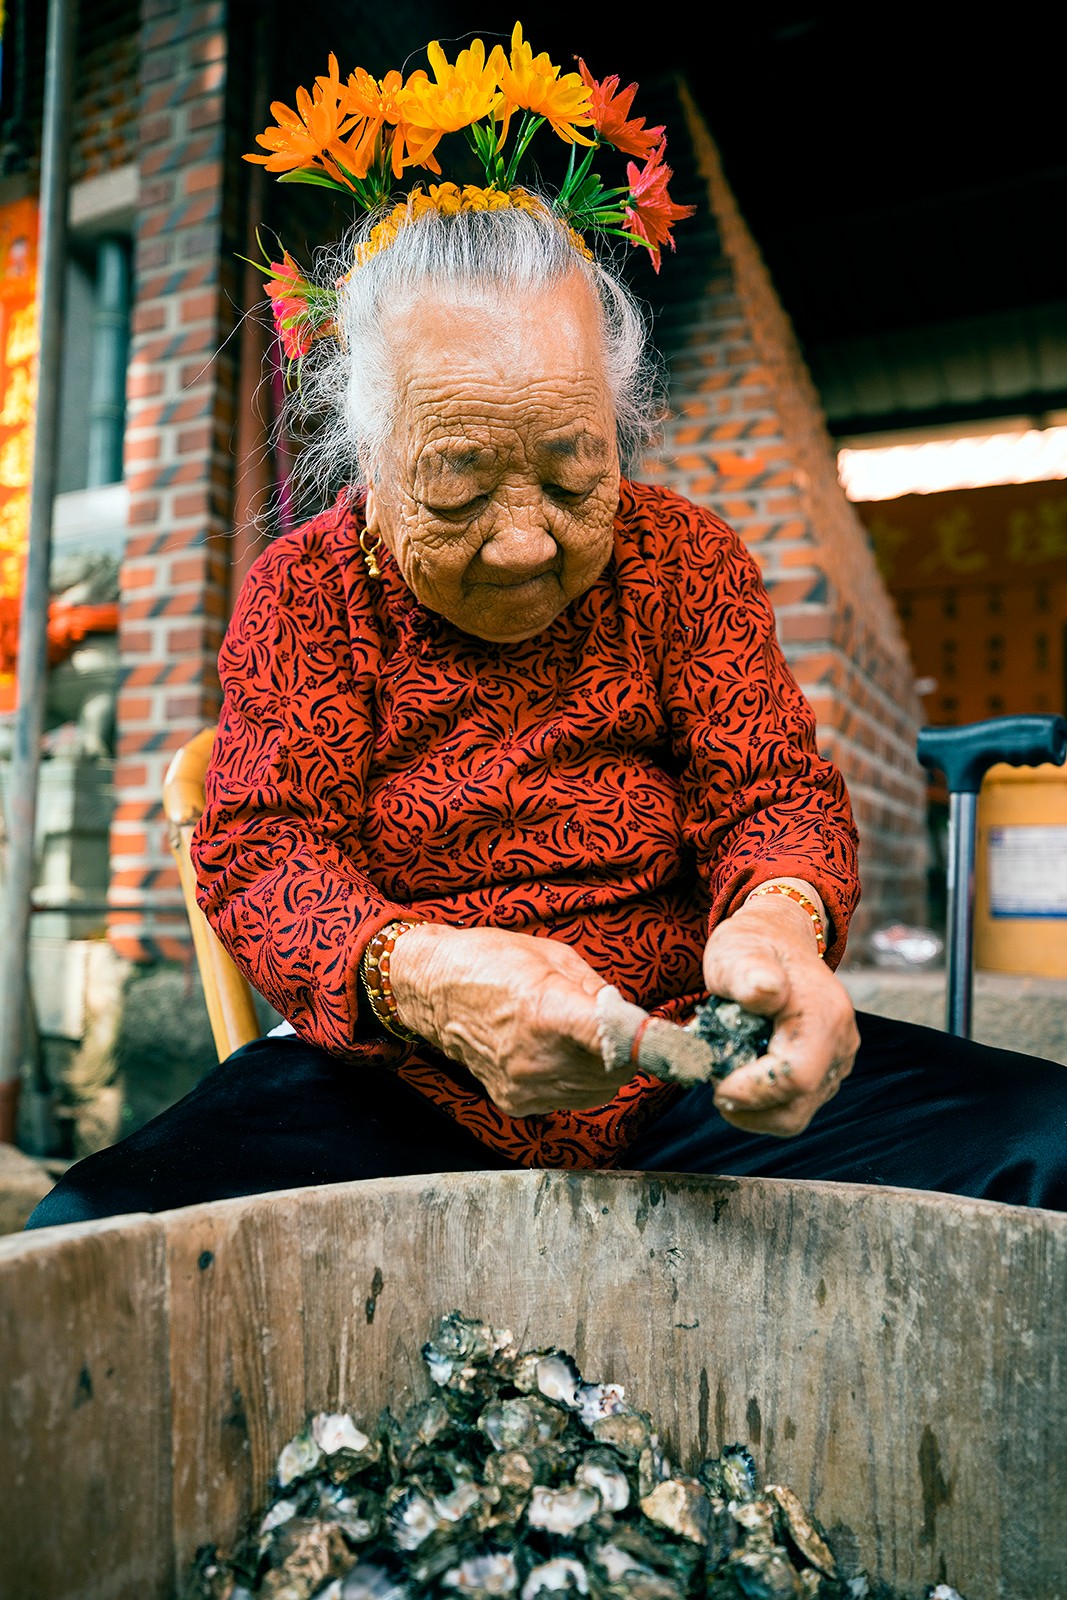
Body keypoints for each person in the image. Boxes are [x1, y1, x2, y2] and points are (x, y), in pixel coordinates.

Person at [29, 36, 1066, 1228]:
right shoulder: (305, 593)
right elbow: (260, 851)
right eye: (458, 488)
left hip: (690, 1070)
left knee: (1049, 1151)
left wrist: (780, 928)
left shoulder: (683, 559)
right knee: (94, 1238)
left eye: (575, 476)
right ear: (367, 455)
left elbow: (772, 792)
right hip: (396, 1085)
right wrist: (418, 975)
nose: (524, 542)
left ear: (615, 424)